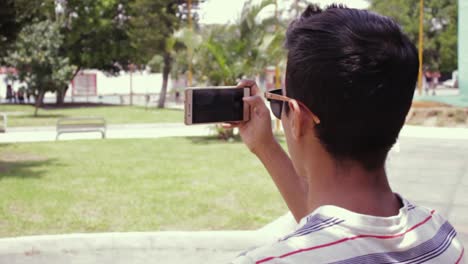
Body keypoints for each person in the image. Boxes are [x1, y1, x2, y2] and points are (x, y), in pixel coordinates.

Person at [229, 4, 465, 263]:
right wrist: (265, 146)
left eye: (278, 102)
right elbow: (335, 232)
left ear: (296, 117)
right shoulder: (442, 238)